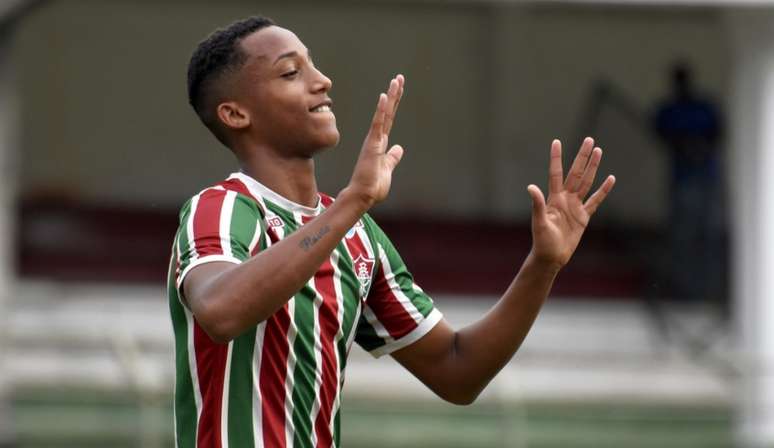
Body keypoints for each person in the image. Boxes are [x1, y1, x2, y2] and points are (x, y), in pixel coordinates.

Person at [169, 16, 616, 448]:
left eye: (313, 64)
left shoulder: (358, 236)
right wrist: (352, 203)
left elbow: (457, 371)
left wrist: (542, 265)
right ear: (235, 113)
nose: (322, 81)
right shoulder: (221, 208)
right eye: (290, 72)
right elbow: (221, 312)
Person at [654, 62, 725, 302]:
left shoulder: (704, 107)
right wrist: (684, 144)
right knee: (683, 237)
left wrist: (700, 147)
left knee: (710, 235)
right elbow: (661, 133)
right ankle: (684, 291)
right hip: (683, 179)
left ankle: (710, 291)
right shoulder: (670, 110)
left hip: (707, 177)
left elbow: (718, 132)